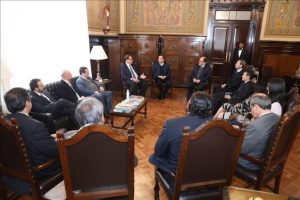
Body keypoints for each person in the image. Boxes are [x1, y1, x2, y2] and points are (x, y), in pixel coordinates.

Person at [3, 87, 60, 195]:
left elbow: (28, 140)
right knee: (72, 153)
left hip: (13, 171)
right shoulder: (34, 126)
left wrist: (48, 137)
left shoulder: (5, 122)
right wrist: (61, 141)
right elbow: (55, 150)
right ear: (27, 102)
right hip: (41, 170)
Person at [149, 92, 212, 175]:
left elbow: (159, 151)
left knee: (154, 157)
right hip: (208, 172)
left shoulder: (172, 124)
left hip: (180, 176)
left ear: (188, 105)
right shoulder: (219, 125)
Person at [238, 93, 280, 170]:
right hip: (271, 159)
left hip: (251, 162)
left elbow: (241, 149)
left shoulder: (255, 125)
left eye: (251, 108)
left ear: (256, 106)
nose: (250, 111)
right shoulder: (278, 118)